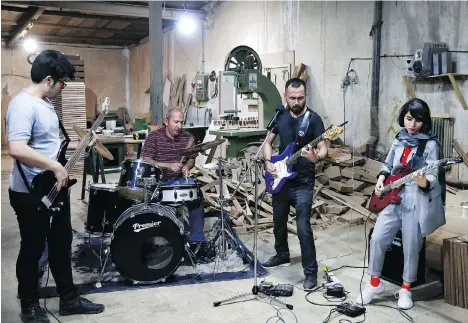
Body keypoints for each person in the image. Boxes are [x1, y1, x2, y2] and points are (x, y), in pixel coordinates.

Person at [7, 50, 105, 323]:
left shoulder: (47, 105)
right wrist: (54, 167)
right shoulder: (23, 105)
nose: (63, 89)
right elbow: (16, 148)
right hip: (31, 193)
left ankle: (69, 299)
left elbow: (52, 149)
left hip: (53, 188)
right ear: (49, 79)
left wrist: (81, 146)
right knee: (33, 249)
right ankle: (29, 306)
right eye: (62, 83)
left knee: (61, 244)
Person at [357, 98, 445, 309]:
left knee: (411, 247)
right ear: (403, 118)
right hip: (392, 198)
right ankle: (374, 283)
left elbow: (434, 175)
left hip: (415, 201)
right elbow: (388, 164)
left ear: (425, 122)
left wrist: (424, 182)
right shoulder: (399, 139)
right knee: (377, 238)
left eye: (417, 121)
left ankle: (406, 289)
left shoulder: (430, 145)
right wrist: (380, 179)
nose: (412, 125)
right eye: (408, 119)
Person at [263, 78, 328, 290]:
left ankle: (311, 273)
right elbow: (268, 143)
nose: (297, 101)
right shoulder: (280, 116)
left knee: (303, 228)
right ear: (285, 96)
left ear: (306, 96)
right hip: (281, 178)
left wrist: (314, 157)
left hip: (303, 182)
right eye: (293, 98)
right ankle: (282, 254)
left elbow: (323, 149)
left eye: (301, 97)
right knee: (278, 221)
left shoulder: (314, 119)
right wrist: (268, 162)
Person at [141, 108, 206, 248]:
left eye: (182, 122)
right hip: (158, 181)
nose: (179, 126)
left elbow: (191, 159)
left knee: (196, 196)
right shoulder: (154, 137)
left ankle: (197, 240)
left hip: (178, 180)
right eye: (176, 122)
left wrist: (187, 166)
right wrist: (167, 165)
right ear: (166, 121)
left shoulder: (188, 138)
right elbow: (146, 159)